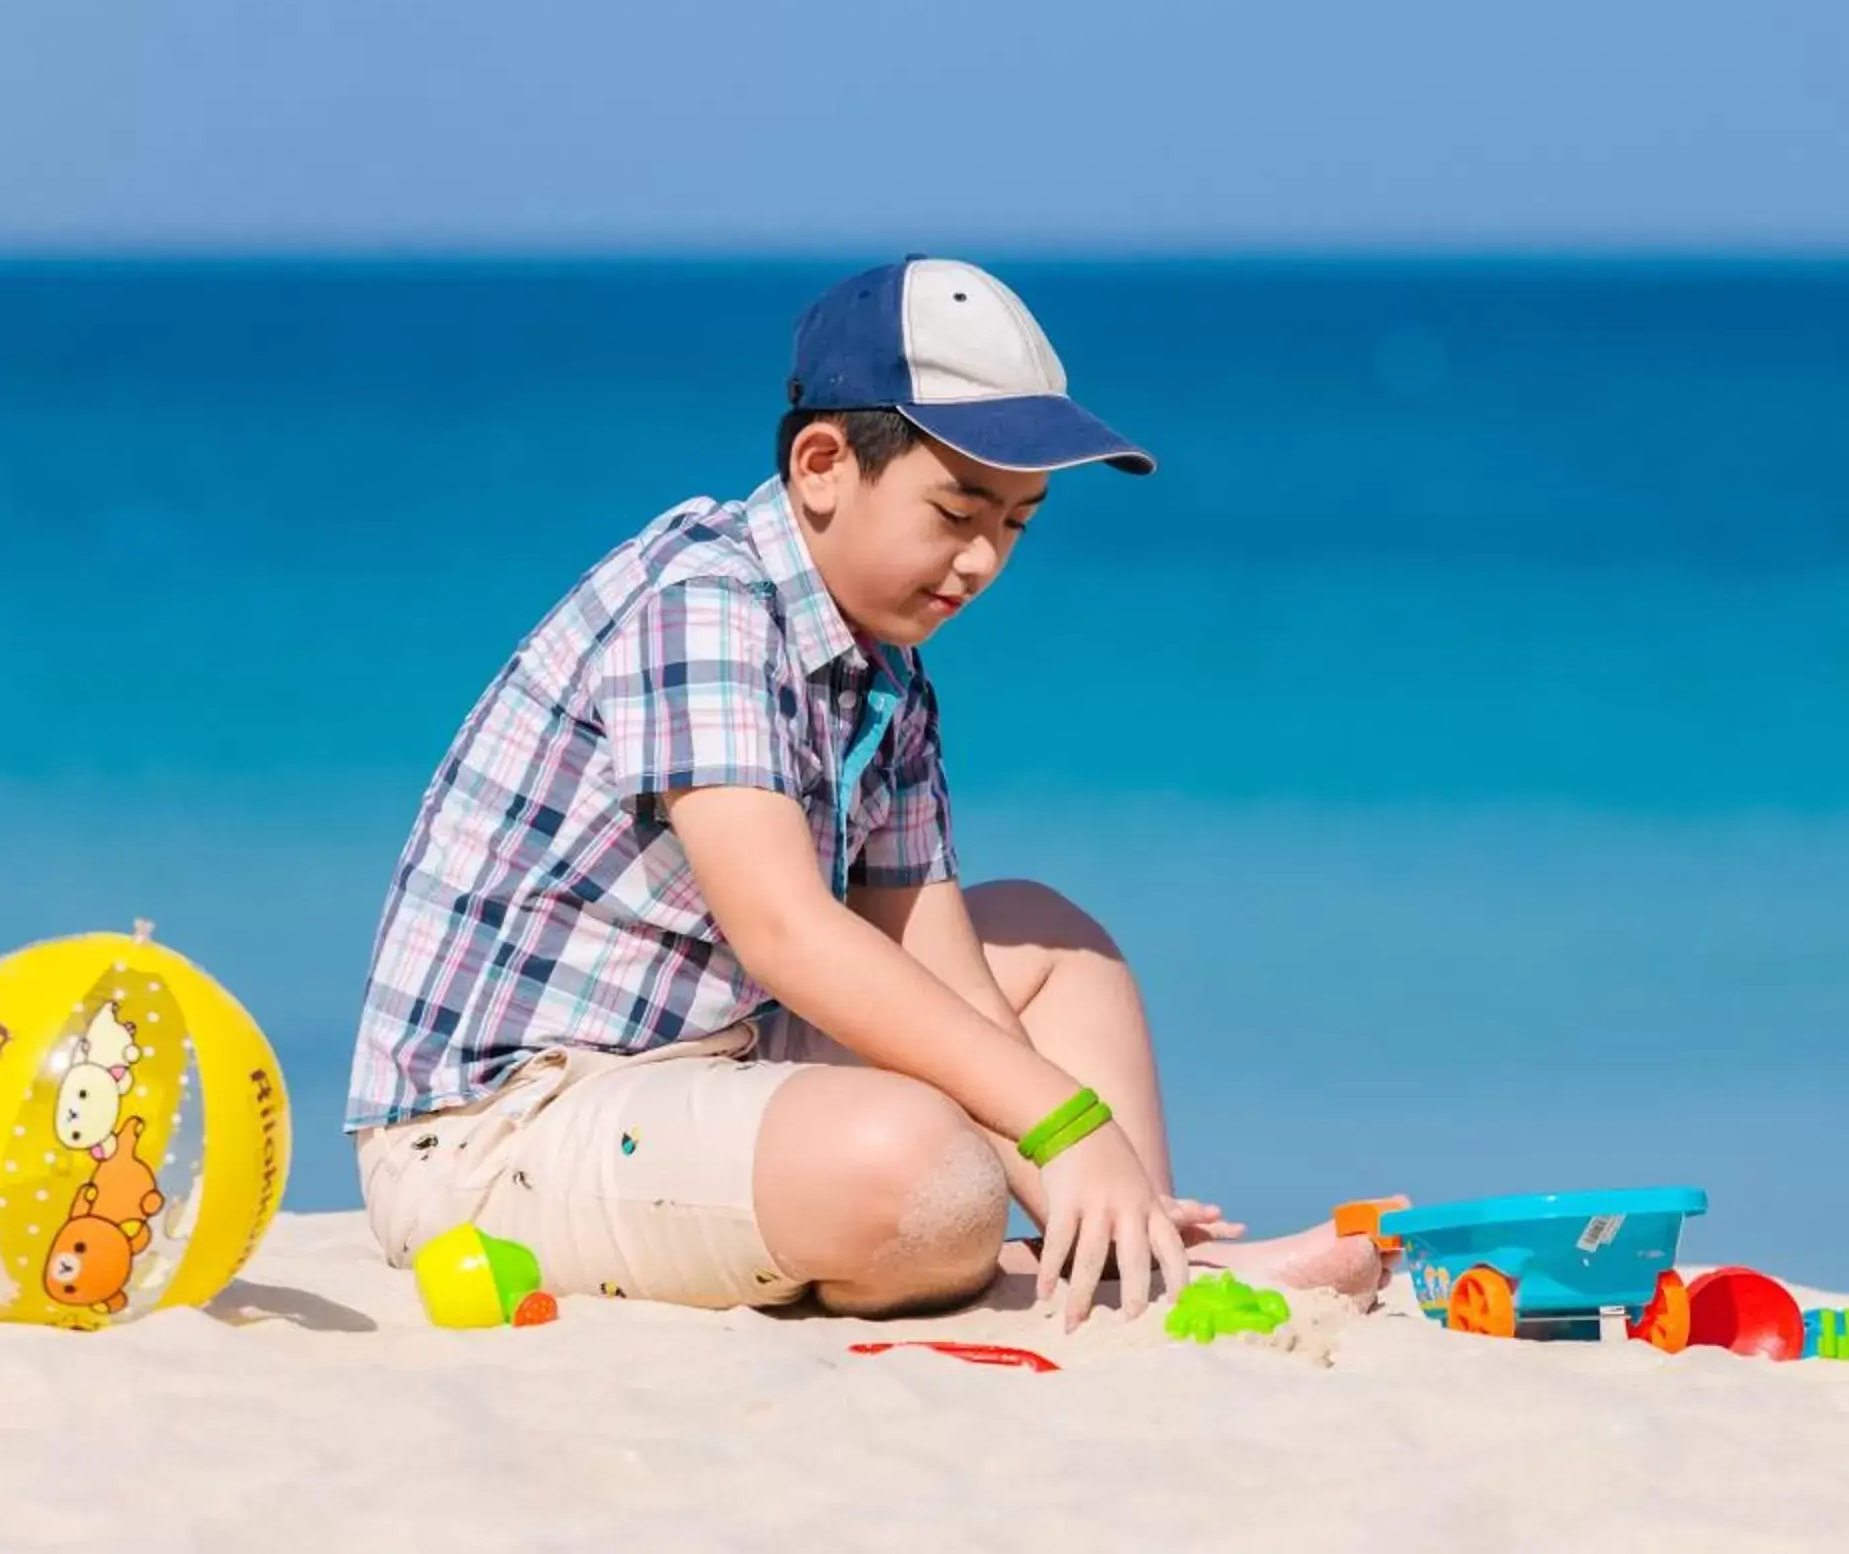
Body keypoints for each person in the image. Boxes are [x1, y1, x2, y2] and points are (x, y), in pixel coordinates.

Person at [346, 256, 1379, 1326]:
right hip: (500, 1128)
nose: (981, 560)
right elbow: (785, 934)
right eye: (957, 508)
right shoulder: (706, 603)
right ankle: (1080, 1249)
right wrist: (1062, 1121)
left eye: (1017, 522)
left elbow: (935, 960)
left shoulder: (886, 665)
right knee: (921, 1171)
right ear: (824, 463)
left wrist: (1076, 1157)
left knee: (1055, 943)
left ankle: (1132, 1253)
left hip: (710, 1052)